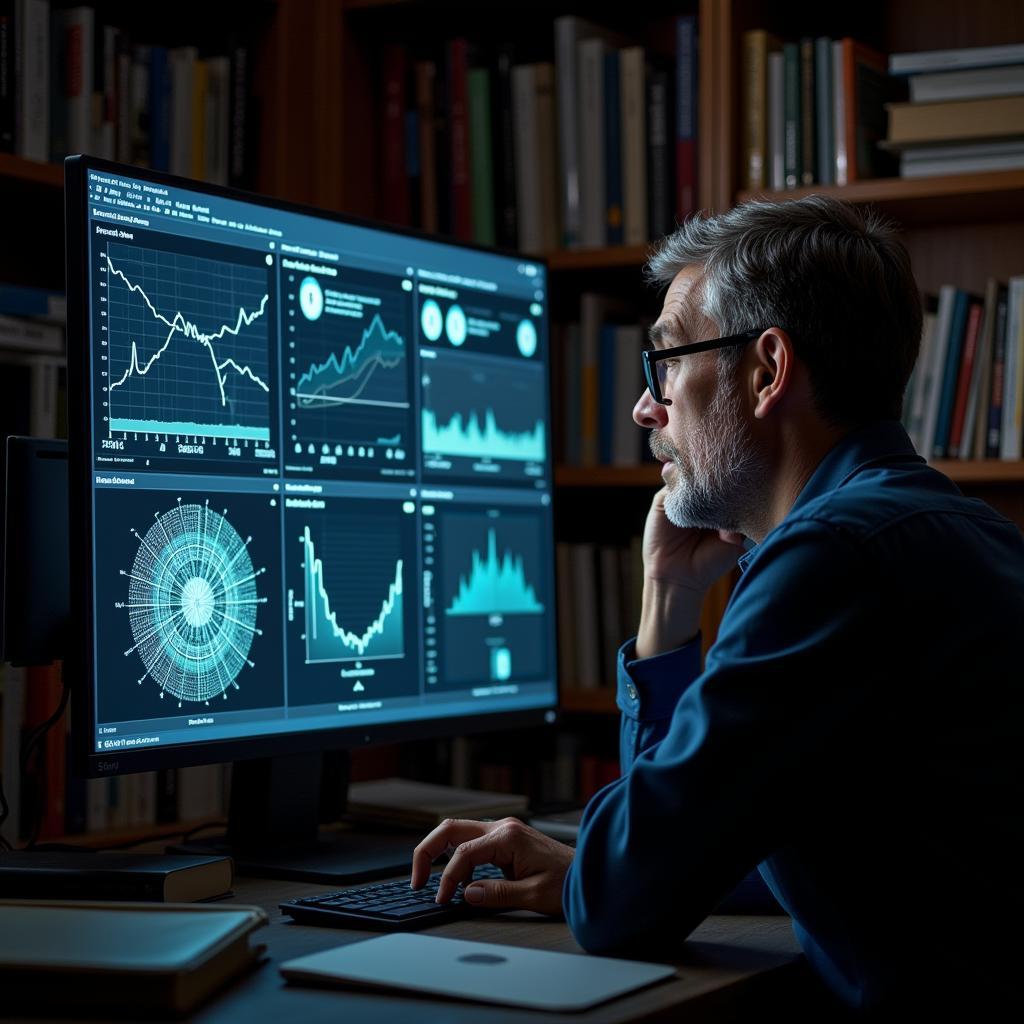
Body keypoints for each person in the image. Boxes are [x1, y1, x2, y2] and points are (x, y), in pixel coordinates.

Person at [409, 196, 1024, 1015]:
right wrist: (672, 596)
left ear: (767, 371)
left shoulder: (829, 558)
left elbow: (628, 901)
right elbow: (725, 844)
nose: (645, 408)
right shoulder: (967, 532)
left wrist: (605, 869)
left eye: (667, 362)